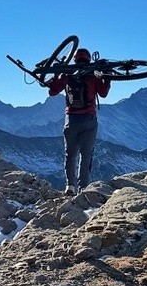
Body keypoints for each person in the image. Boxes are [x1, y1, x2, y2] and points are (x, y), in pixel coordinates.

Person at [47, 47, 111, 194]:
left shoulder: (67, 74)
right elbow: (103, 93)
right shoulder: (92, 74)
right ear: (89, 59)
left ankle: (70, 186)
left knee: (70, 154)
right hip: (89, 119)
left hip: (71, 119)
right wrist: (107, 78)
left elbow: (52, 91)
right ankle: (84, 187)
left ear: (74, 59)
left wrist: (56, 76)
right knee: (86, 154)